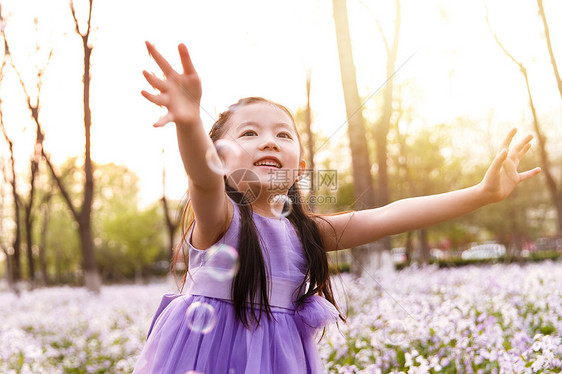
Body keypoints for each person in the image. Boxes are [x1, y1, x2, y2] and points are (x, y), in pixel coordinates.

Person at [133, 41, 541, 374]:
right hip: (209, 359)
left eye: (282, 135)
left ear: (301, 170)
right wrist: (189, 123)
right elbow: (202, 178)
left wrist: (482, 193)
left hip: (284, 362)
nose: (269, 142)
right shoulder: (219, 219)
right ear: (220, 157)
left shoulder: (306, 231)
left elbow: (389, 215)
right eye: (250, 133)